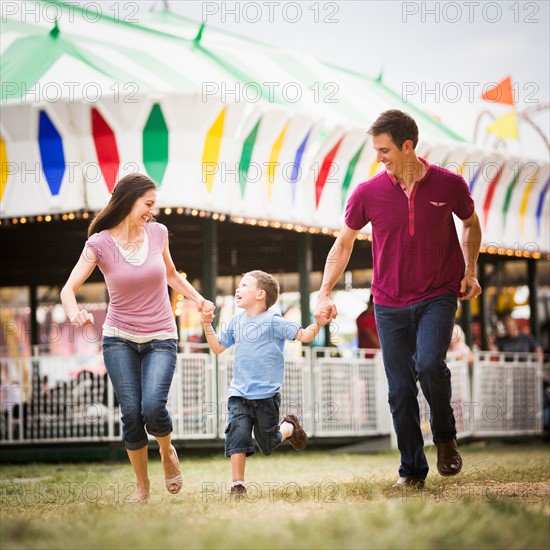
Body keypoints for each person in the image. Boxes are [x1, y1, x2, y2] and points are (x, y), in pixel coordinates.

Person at [314, 110, 482, 489]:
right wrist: (324, 291)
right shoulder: (367, 193)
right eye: (376, 150)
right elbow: (343, 244)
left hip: (438, 294)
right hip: (388, 302)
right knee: (400, 389)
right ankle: (412, 470)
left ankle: (444, 437)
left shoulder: (449, 185)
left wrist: (469, 270)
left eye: (385, 149)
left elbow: (470, 224)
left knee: (428, 364)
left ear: (408, 146)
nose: (379, 157)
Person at [60, 173, 215, 503]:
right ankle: (142, 486)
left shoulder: (158, 234)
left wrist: (198, 299)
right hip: (118, 339)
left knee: (152, 406)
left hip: (160, 335)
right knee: (130, 413)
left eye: (153, 205)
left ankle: (167, 450)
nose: (152, 211)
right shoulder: (100, 243)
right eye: (148, 204)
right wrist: (74, 312)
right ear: (129, 200)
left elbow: (172, 274)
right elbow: (68, 289)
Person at [200, 270, 330, 500]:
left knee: (267, 444)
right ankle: (237, 486)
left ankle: (289, 427)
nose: (237, 289)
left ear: (260, 294)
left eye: (243, 285)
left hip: (267, 397)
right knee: (237, 435)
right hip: (239, 394)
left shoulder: (274, 321)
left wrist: (318, 324)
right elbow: (218, 347)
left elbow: (304, 336)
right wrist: (206, 323)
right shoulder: (236, 321)